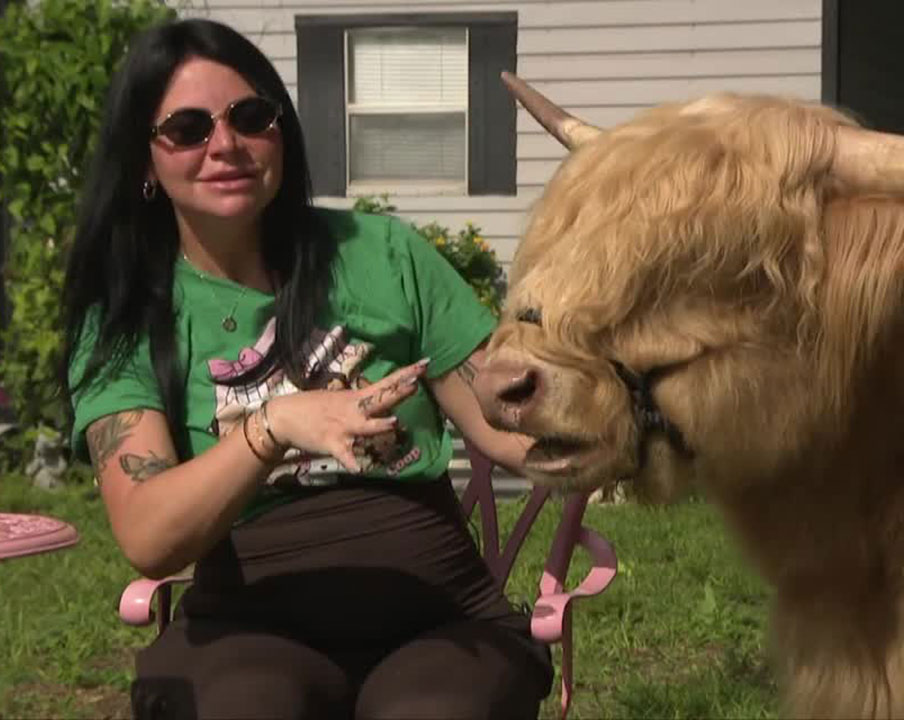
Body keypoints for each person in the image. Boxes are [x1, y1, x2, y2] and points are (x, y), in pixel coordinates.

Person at [59, 17, 551, 720]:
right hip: (248, 627)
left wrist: (613, 411)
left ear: (281, 131)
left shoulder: (380, 253)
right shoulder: (128, 316)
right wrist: (275, 425)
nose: (225, 144)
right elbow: (149, 534)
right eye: (188, 129)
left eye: (251, 117)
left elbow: (504, 425)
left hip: (439, 616)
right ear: (144, 161)